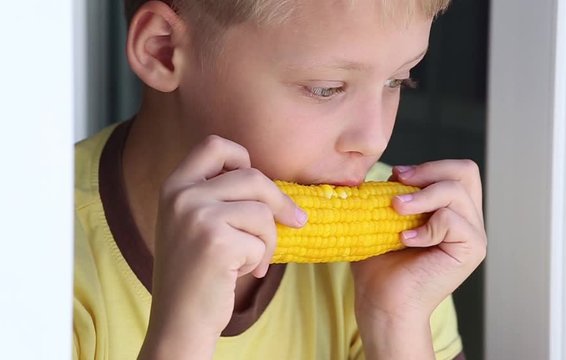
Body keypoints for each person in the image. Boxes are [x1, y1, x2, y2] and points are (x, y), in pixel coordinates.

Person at [73, 0, 487, 358]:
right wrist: (182, 336)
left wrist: (396, 323)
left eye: (398, 80)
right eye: (326, 89)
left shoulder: (392, 263)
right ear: (163, 50)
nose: (374, 140)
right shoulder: (42, 256)